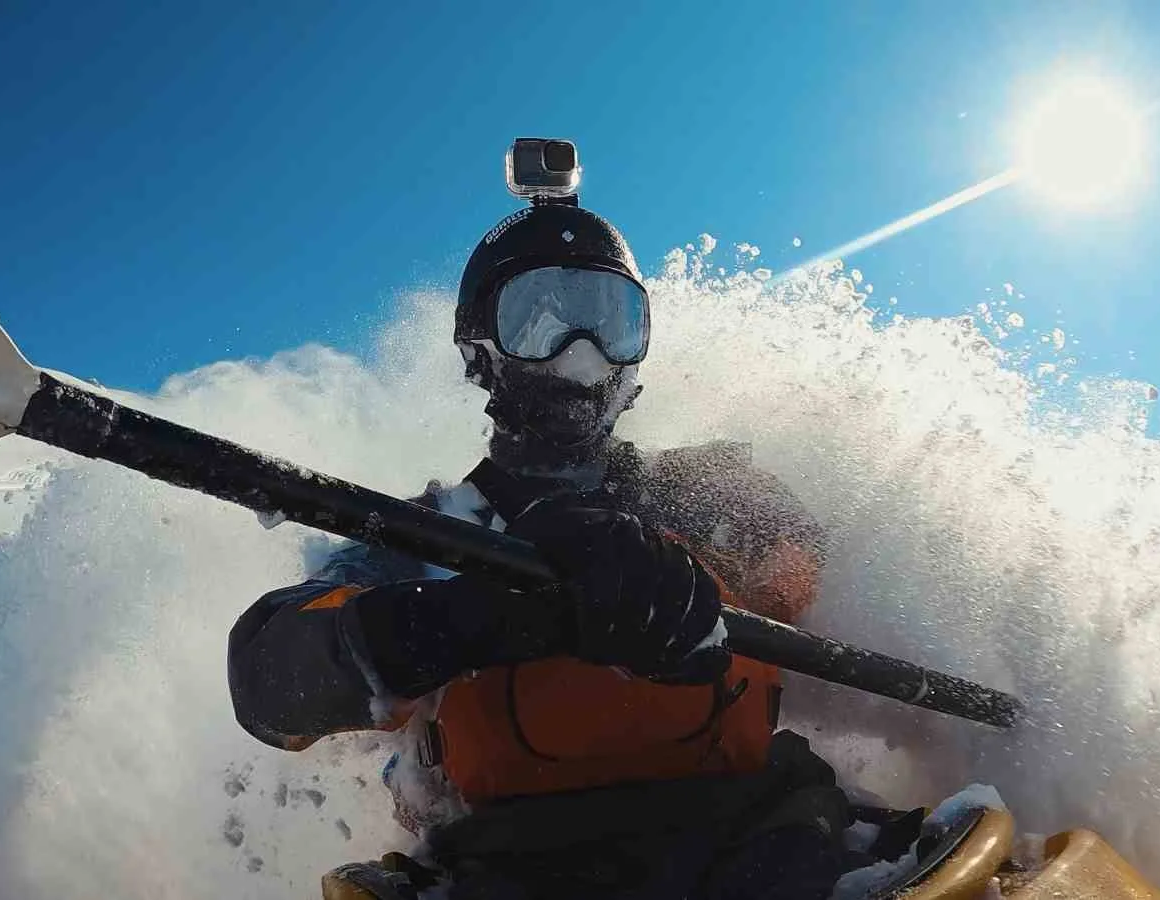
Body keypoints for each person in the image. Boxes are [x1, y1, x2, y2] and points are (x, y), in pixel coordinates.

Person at [227, 188, 850, 899]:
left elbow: (797, 562)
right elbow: (266, 682)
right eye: (538, 320)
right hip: (510, 869)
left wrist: (693, 590)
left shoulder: (704, 493)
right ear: (480, 352)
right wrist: (476, 617)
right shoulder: (427, 533)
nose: (579, 358)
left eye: (611, 323)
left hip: (774, 840)